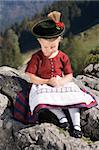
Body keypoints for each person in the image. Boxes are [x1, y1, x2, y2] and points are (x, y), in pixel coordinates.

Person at [14, 11, 97, 138]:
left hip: (60, 83)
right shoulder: (37, 58)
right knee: (44, 98)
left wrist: (61, 81)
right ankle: (61, 117)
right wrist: (46, 81)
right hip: (43, 84)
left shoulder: (63, 57)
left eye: (52, 47)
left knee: (73, 98)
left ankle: (76, 126)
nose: (49, 50)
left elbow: (69, 75)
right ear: (39, 42)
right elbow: (31, 76)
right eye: (45, 47)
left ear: (59, 40)